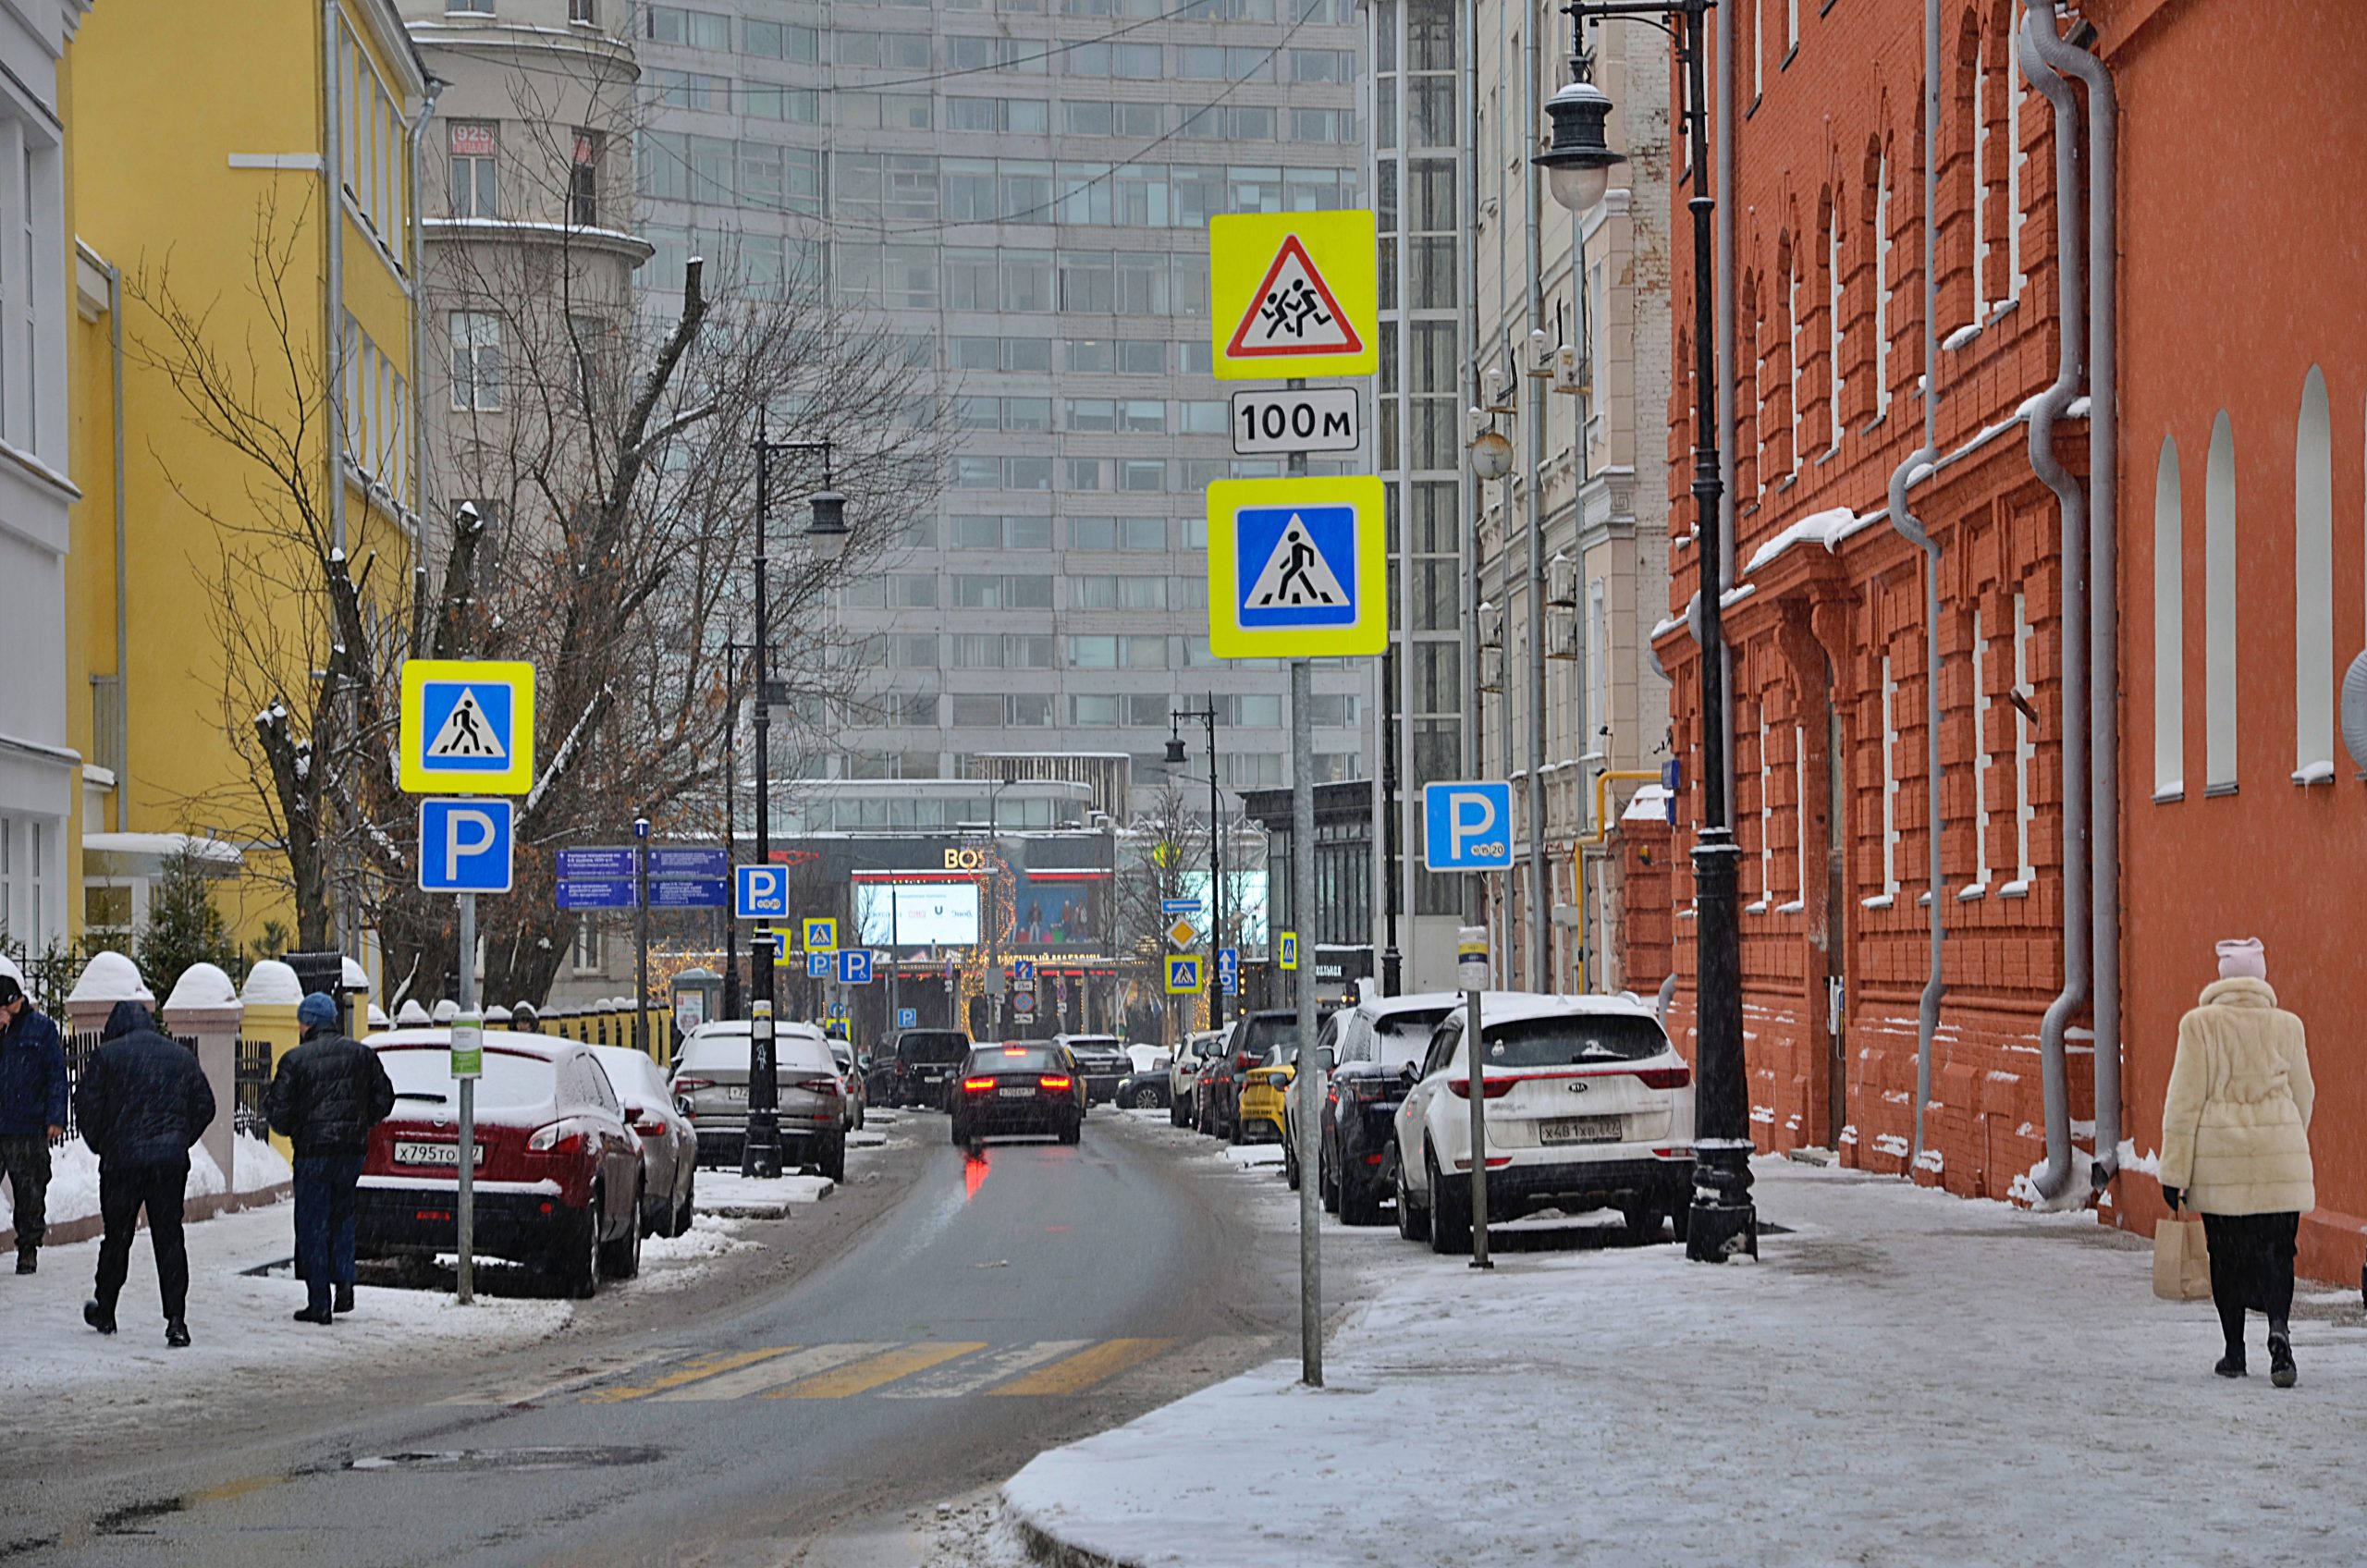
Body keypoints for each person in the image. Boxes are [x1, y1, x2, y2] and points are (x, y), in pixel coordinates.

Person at [2159, 937, 2316, 1389]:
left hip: (2220, 1164)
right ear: (2262, 977)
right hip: (2280, 1164)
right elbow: (2304, 1096)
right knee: (2278, 1254)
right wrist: (2283, 1138)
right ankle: (2279, 1331)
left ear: (2223, 977)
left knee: (2225, 1258)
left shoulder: (2199, 1026)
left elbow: (2183, 1104)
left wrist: (2174, 1173)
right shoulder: (2289, 1026)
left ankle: (2234, 1352)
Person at [72, 998, 215, 1347]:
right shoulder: (180, 1056)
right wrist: (178, 1139)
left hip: (122, 1162)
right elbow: (206, 1106)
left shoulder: (107, 1057)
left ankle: (106, 1308)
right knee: (169, 1237)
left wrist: (104, 1143)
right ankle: (176, 1319)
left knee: (117, 1236)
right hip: (169, 1164)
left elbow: (86, 1108)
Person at [266, 992, 395, 1324]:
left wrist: (301, 1127)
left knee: (312, 1223)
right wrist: (359, 1122)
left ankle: (319, 1301)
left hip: (312, 1153)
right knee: (343, 1218)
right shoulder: (362, 1055)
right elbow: (385, 1098)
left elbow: (277, 1113)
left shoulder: (295, 1060)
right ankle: (346, 1283)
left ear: (307, 1023)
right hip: (350, 1152)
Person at [0, 974, 67, 1275]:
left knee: (30, 1190)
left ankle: (28, 1248)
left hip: (27, 1124)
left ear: (15, 1002)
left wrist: (55, 1117)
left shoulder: (41, 1029)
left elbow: (56, 1074)